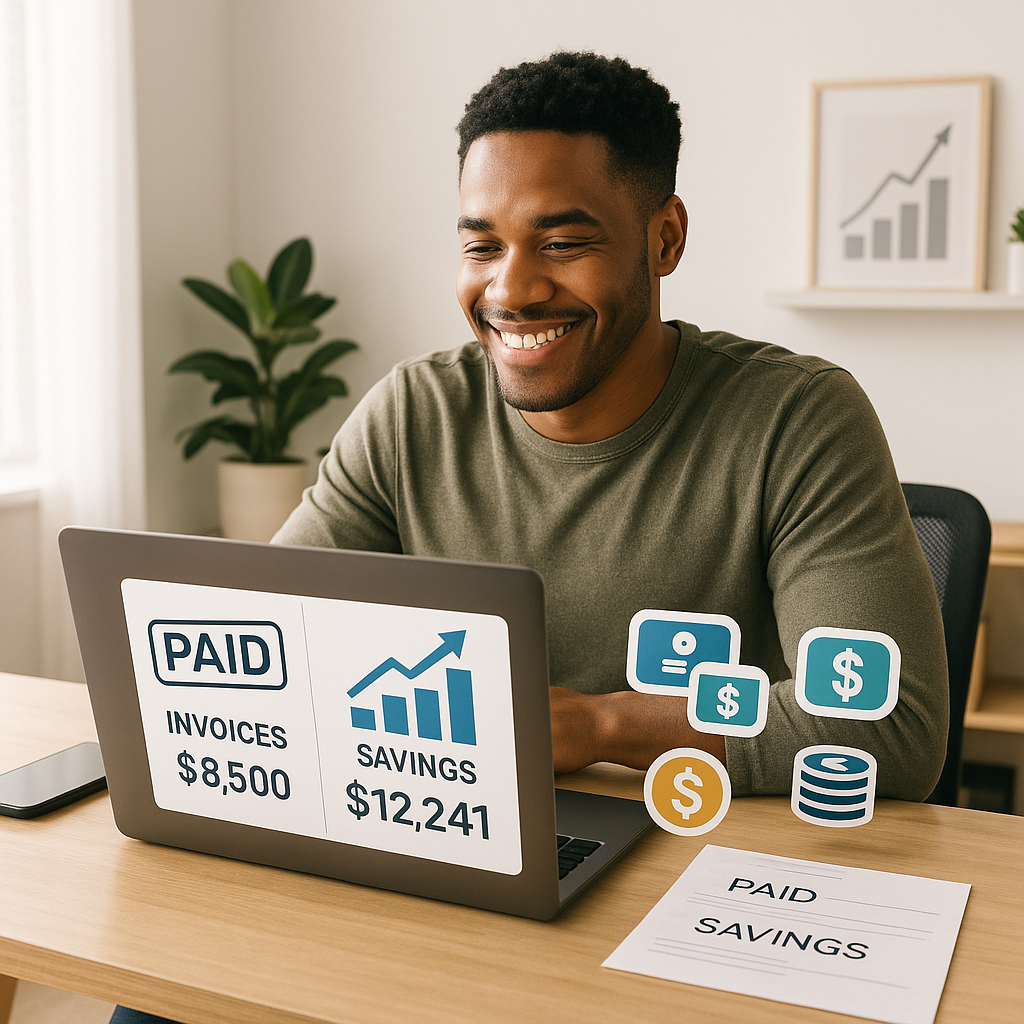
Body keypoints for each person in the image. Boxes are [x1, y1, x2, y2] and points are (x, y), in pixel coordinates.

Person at [107, 48, 947, 1024]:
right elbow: (272, 637)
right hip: (447, 861)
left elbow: (892, 725)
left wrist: (601, 726)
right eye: (480, 245)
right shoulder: (415, 412)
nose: (511, 288)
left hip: (686, 895)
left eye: (562, 241)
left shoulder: (796, 420)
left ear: (663, 237)